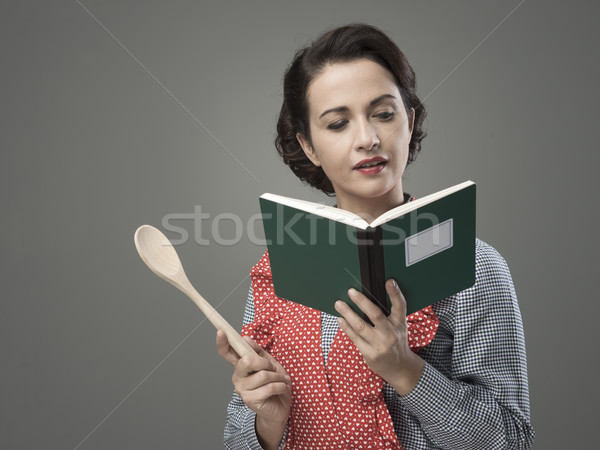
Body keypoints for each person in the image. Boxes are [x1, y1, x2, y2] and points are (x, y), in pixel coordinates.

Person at [216, 24, 534, 449]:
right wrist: (269, 424)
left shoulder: (474, 267)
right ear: (308, 146)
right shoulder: (279, 269)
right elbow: (235, 441)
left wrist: (406, 370)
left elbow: (511, 441)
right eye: (337, 123)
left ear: (410, 121)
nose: (367, 139)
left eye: (384, 114)